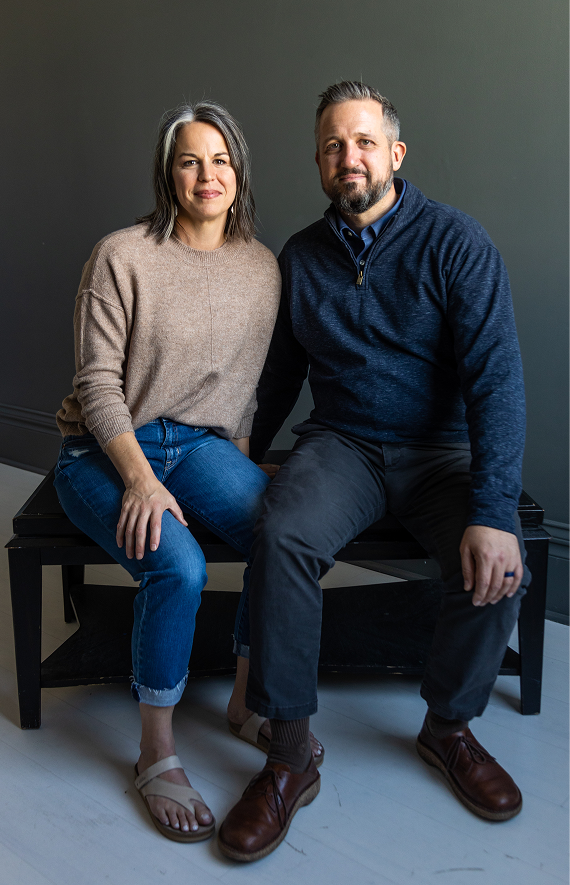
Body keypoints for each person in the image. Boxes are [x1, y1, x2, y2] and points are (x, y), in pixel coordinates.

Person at [218, 80, 531, 862]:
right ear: (319, 162)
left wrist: (493, 509)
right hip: (343, 445)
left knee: (499, 561)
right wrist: (240, 456)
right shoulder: (302, 257)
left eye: (363, 142)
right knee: (283, 534)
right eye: (332, 145)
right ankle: (290, 754)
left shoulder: (456, 242)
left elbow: (497, 380)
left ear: (395, 153)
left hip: (440, 451)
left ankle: (448, 727)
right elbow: (278, 377)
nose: (347, 156)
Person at [54, 100, 290, 843]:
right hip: (102, 449)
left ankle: (246, 702)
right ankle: (155, 751)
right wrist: (139, 478)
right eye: (190, 160)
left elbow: (243, 388)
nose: (206, 174)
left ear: (239, 171)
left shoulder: (261, 267)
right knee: (179, 567)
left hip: (197, 445)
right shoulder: (121, 255)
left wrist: (242, 475)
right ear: (168, 174)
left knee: (278, 535)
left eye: (221, 159)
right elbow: (96, 386)